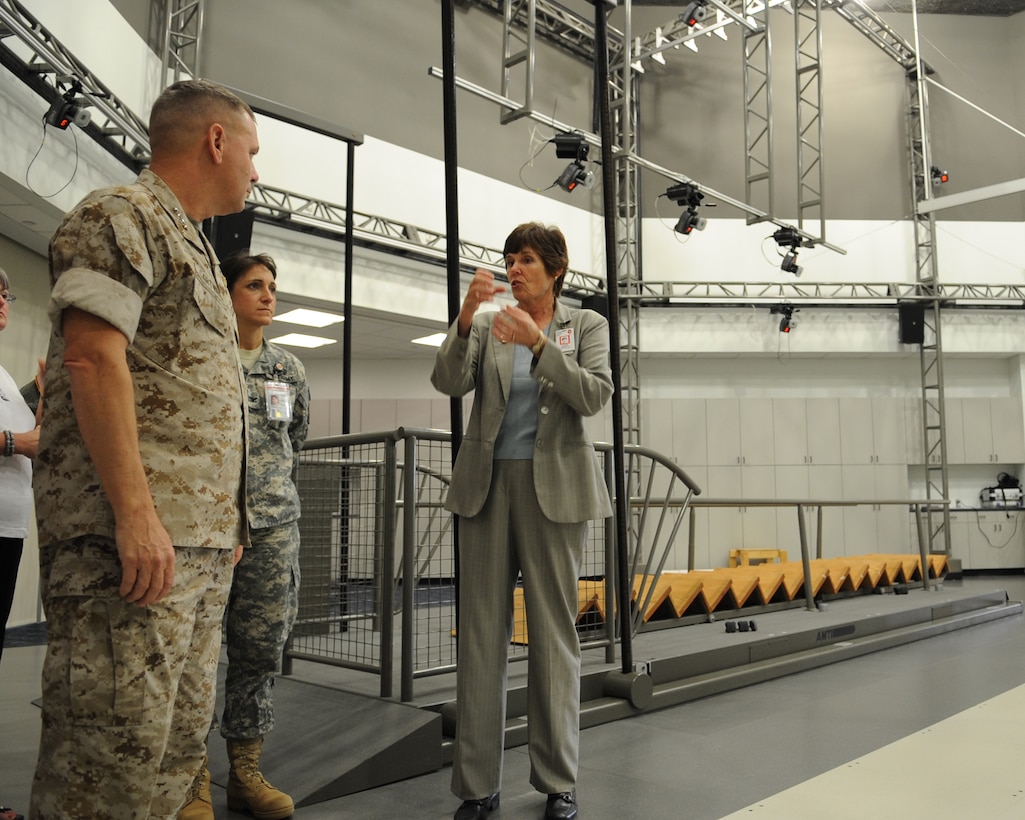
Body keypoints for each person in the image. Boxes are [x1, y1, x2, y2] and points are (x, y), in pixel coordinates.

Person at [30, 78, 258, 819]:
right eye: (251, 152)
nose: (256, 171)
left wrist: (226, 526)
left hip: (191, 548)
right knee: (104, 768)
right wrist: (135, 516)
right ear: (215, 141)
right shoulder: (122, 216)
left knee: (168, 760)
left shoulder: (191, 242)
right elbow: (93, 360)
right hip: (127, 546)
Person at [431, 222, 613, 820]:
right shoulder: (487, 324)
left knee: (552, 637)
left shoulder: (586, 325)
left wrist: (540, 345)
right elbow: (448, 381)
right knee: (481, 638)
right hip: (486, 488)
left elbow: (592, 395)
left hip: (556, 492)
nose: (514, 269)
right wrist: (464, 318)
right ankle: (478, 788)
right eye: (510, 259)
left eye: (527, 259)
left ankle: (559, 781)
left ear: (555, 269)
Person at [178, 251, 309, 820]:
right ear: (227, 294)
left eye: (272, 287)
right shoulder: (204, 360)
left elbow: (293, 439)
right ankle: (190, 778)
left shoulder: (288, 370)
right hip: (207, 530)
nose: (267, 295)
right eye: (254, 285)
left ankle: (246, 773)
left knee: (258, 653)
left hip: (273, 529)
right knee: (197, 656)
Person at [1, 269, 42, 820]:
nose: (2, 301)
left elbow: (18, 419)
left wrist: (39, 391)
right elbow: (17, 436)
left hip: (8, 529)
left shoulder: (4, 374)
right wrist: (17, 441)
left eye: (5, 292)